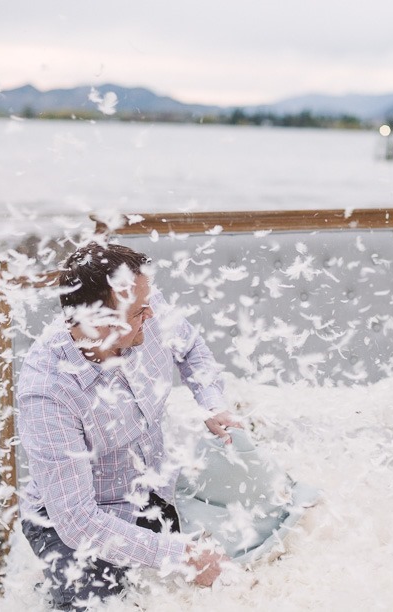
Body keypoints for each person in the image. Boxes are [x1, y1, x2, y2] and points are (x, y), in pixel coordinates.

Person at [16, 241, 240, 609]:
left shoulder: (141, 302)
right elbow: (78, 521)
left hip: (150, 489)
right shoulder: (47, 392)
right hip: (74, 521)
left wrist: (211, 403)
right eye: (139, 312)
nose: (151, 314)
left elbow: (192, 349)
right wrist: (182, 556)